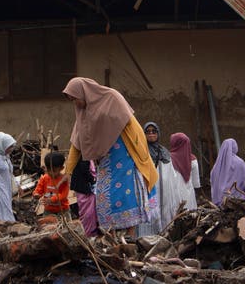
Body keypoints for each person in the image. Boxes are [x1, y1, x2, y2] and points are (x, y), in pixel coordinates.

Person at [63, 77, 158, 235]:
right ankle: (111, 237)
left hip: (125, 154)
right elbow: (76, 144)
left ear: (84, 92)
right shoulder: (83, 114)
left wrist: (142, 154)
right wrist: (68, 171)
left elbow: (131, 125)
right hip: (106, 163)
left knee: (128, 194)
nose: (75, 104)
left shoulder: (112, 98)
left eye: (75, 99)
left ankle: (130, 235)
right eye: (72, 100)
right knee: (105, 198)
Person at [137, 121, 176, 236]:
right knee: (148, 211)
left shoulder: (163, 151)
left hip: (162, 187)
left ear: (158, 133)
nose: (151, 134)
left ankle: (163, 234)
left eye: (154, 131)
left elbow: (169, 170)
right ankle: (147, 237)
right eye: (148, 132)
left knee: (162, 210)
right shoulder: (141, 150)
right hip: (146, 186)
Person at [210, 138, 245, 205]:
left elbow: (212, 183)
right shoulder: (240, 162)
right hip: (237, 200)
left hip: (220, 200)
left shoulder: (217, 165)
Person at [170, 132, 201, 211]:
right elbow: (196, 183)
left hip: (174, 195)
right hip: (189, 196)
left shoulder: (168, 159)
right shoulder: (193, 160)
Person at [33, 152, 70, 217]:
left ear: (62, 168)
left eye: (54, 171)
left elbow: (64, 195)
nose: (51, 173)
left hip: (63, 210)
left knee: (66, 225)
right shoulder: (44, 178)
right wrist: (36, 194)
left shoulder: (64, 180)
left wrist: (52, 199)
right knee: (46, 225)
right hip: (48, 210)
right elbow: (39, 189)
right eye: (48, 170)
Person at [70, 158, 98, 237]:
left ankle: (90, 231)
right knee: (88, 212)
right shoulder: (85, 156)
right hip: (84, 188)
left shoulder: (85, 156)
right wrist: (93, 180)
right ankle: (89, 233)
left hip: (83, 187)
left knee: (87, 211)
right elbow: (85, 170)